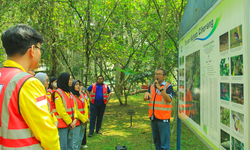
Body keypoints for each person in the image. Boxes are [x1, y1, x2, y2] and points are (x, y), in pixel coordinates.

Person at [0, 25, 60, 149]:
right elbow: (47, 132)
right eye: (40, 49)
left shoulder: (3, 77)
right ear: (32, 50)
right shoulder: (28, 83)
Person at [143, 68, 173, 150]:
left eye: (159, 74)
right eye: (156, 74)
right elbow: (147, 96)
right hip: (154, 118)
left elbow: (169, 99)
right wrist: (146, 94)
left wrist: (160, 89)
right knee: (157, 142)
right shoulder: (152, 86)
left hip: (163, 119)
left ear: (164, 76)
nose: (157, 76)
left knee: (164, 144)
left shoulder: (168, 86)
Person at [53, 72, 78, 150]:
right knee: (63, 146)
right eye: (69, 79)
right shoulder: (58, 93)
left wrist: (75, 120)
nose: (71, 81)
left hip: (71, 125)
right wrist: (70, 122)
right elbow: (61, 111)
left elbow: (74, 108)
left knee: (70, 146)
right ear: (65, 80)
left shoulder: (69, 93)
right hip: (63, 125)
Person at [70, 79, 89, 150]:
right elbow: (75, 110)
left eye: (79, 84)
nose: (78, 86)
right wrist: (83, 119)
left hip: (83, 122)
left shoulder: (81, 94)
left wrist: (85, 119)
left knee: (80, 139)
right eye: (76, 84)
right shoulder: (71, 96)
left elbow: (85, 108)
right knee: (75, 141)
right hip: (76, 122)